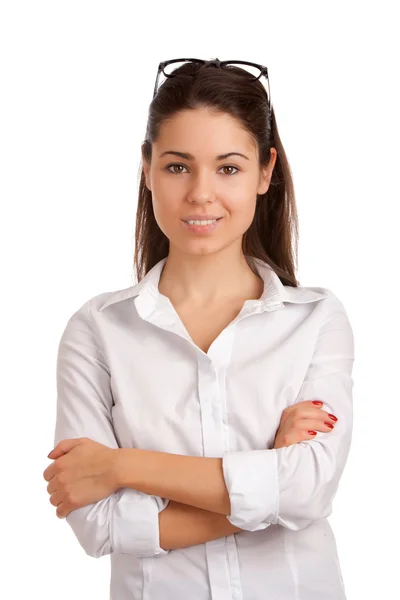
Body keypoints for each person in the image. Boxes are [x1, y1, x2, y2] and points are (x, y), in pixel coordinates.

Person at [43, 58, 355, 600]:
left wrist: (122, 466)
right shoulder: (97, 330)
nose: (201, 194)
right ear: (147, 169)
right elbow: (98, 525)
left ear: (265, 172)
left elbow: (308, 490)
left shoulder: (316, 321)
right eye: (178, 166)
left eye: (229, 168)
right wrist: (267, 486)